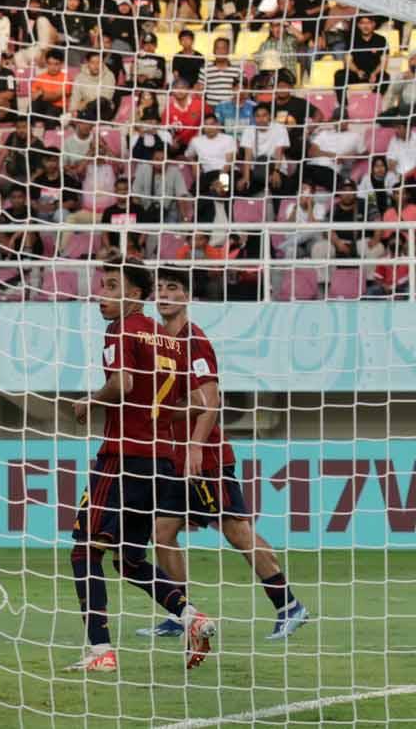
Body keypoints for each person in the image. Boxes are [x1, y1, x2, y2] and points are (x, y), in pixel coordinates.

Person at [138, 268, 311, 641]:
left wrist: (196, 445)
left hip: (206, 457)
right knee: (163, 531)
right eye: (160, 289)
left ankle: (289, 605)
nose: (164, 294)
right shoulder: (158, 341)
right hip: (174, 456)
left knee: (237, 533)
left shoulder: (194, 341)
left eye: (173, 288)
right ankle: (181, 613)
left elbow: (210, 401)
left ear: (186, 297)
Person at [67, 258, 217, 674]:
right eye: (101, 285)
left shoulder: (121, 329)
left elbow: (124, 385)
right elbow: (199, 405)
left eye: (112, 285)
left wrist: (89, 401)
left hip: (122, 457)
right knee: (130, 560)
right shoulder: (167, 337)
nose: (102, 295)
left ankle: (101, 651)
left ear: (134, 295)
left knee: (84, 551)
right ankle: (192, 617)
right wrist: (162, 419)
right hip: (160, 461)